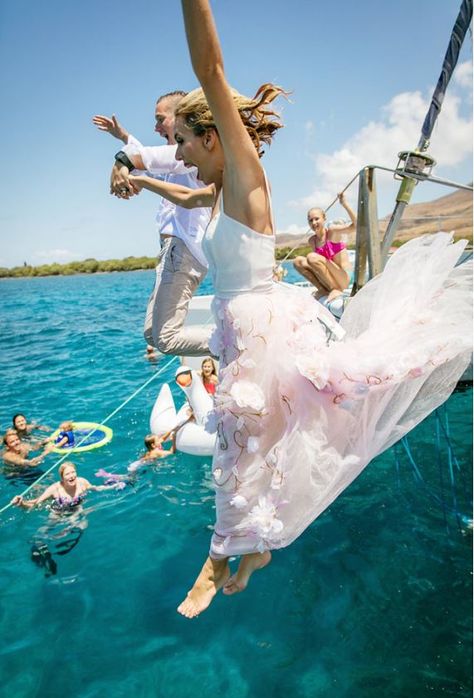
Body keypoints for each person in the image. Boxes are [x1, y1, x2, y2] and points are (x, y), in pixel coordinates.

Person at [135, 1, 471, 618]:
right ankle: (254, 547)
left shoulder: (244, 174)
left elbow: (210, 66)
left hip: (260, 328)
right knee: (256, 443)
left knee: (240, 444)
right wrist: (145, 181)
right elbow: (184, 189)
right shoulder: (215, 191)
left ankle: (219, 559)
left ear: (213, 135)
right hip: (243, 328)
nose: (177, 150)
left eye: (182, 138)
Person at [92, 93, 213, 357]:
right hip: (172, 251)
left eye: (160, 120)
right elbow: (149, 155)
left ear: (181, 116)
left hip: (183, 250)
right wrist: (124, 138)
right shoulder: (176, 154)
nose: (156, 127)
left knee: (165, 339)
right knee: (151, 333)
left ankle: (234, 342)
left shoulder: (187, 156)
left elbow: (148, 157)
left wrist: (123, 160)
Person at [11, 462, 124, 576]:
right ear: (62, 477)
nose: (71, 476)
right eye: (67, 474)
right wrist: (21, 503)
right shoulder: (55, 488)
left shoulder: (82, 482)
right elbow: (34, 503)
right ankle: (41, 551)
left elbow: (95, 488)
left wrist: (113, 486)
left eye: (73, 472)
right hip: (58, 512)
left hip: (76, 509)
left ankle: (63, 539)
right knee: (40, 534)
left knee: (82, 526)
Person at [294, 194, 356, 314]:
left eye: (317, 219)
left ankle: (335, 289)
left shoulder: (332, 232)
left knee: (312, 257)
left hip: (344, 277)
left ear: (324, 219)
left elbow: (355, 226)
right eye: (310, 220)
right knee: (298, 261)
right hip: (331, 276)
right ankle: (322, 289)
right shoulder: (312, 241)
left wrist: (345, 204)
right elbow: (319, 267)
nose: (314, 222)